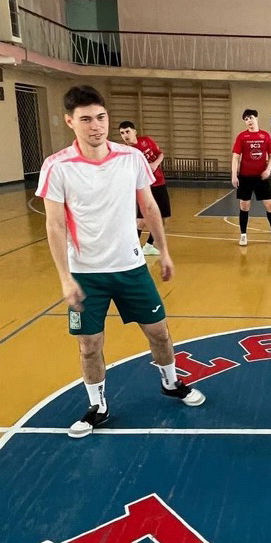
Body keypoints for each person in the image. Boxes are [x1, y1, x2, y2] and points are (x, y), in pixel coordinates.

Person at [37, 85, 206, 439]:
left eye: (101, 117)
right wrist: (65, 277)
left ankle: (171, 383)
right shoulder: (57, 166)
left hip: (131, 268)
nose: (96, 125)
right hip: (86, 274)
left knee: (159, 332)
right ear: (70, 122)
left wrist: (164, 251)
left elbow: (149, 206)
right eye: (86, 119)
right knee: (89, 345)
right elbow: (54, 225)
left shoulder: (131, 158)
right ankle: (97, 406)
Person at [231, 109, 271, 246]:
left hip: (261, 177)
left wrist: (268, 169)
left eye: (250, 117)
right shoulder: (242, 137)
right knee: (244, 205)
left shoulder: (265, 136)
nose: (248, 121)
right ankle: (243, 235)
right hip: (245, 176)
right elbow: (236, 157)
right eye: (246, 119)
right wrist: (234, 175)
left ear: (256, 118)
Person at [118, 121, 170, 256]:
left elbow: (160, 154)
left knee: (162, 217)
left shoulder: (146, 141)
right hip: (144, 187)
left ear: (134, 132)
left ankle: (148, 246)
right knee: (142, 219)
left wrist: (155, 164)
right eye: (122, 133)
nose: (125, 135)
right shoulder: (126, 152)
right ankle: (132, 248)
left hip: (159, 183)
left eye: (127, 131)